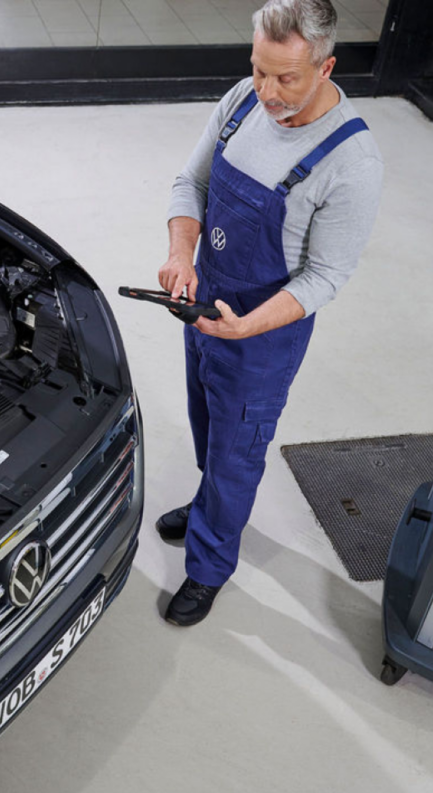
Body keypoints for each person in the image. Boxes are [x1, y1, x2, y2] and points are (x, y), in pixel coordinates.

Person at [158, 0, 383, 625]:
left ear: (326, 66)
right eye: (259, 71)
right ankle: (209, 509)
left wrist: (245, 326)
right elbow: (190, 184)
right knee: (206, 425)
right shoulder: (241, 101)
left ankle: (207, 569)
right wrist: (181, 254)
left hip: (263, 334)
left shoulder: (351, 162)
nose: (268, 91)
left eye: (286, 78)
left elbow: (325, 277)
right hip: (203, 302)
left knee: (237, 455)